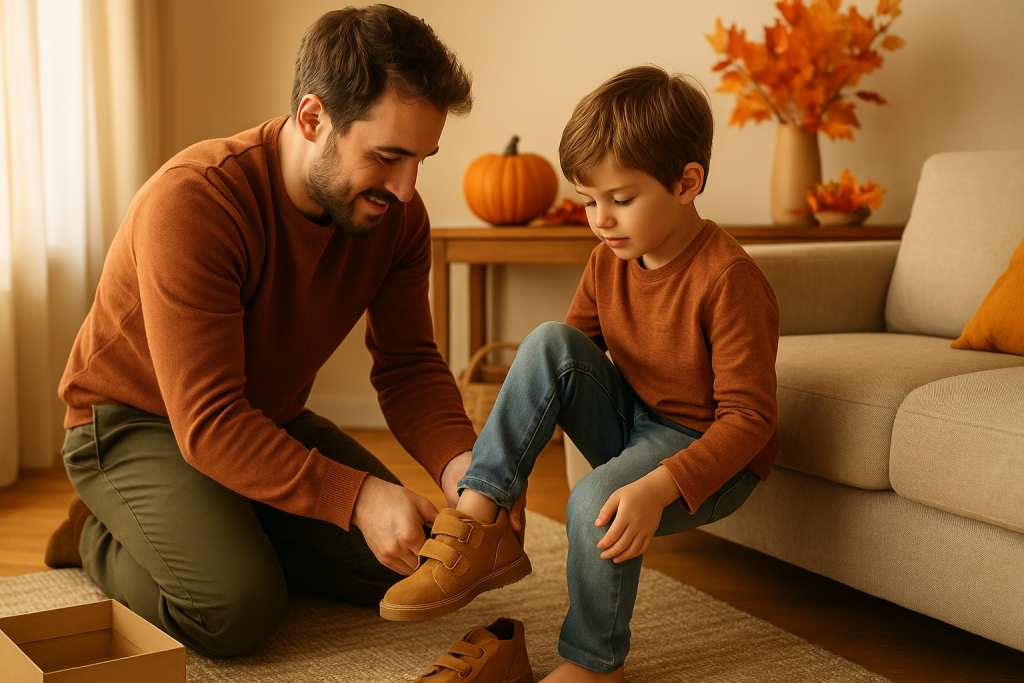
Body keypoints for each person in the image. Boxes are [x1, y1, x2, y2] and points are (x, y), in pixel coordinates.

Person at [44, 5, 481, 657]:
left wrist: (464, 467)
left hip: (258, 419)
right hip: (133, 421)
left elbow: (410, 366)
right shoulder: (193, 204)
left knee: (414, 564)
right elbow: (210, 419)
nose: (407, 189)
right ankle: (95, 532)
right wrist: (356, 497)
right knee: (236, 609)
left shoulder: (398, 220)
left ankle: (228, 522)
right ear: (313, 119)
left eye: (422, 158)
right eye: (388, 156)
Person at [380, 65, 782, 683]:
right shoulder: (606, 262)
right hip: (637, 423)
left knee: (593, 501)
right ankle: (477, 519)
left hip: (707, 454)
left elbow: (749, 419)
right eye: (589, 201)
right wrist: (506, 466)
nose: (601, 219)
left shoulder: (729, 280)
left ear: (686, 181)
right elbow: (563, 369)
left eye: (620, 200)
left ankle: (595, 664)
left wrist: (656, 487)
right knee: (548, 340)